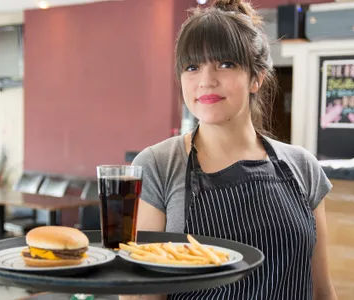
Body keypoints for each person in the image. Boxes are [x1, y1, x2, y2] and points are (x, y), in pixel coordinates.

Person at [122, 0, 338, 299]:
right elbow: (141, 294)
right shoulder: (160, 165)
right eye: (193, 67)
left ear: (256, 78)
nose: (206, 81)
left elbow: (322, 289)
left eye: (225, 64)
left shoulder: (302, 166)